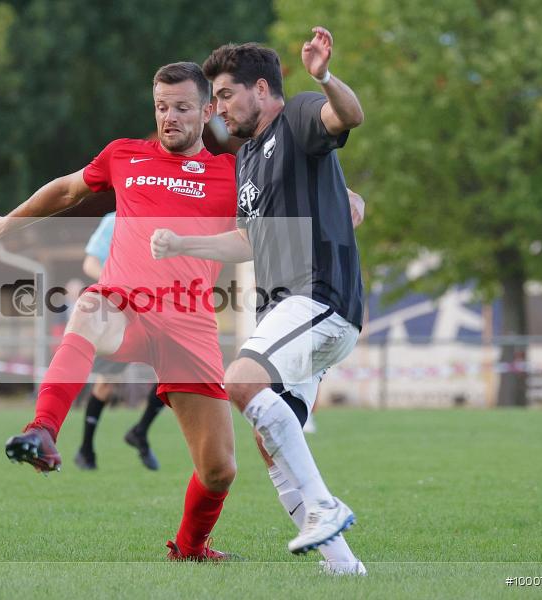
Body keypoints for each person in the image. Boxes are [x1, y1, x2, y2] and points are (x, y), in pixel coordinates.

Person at [0, 62, 239, 561]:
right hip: (125, 307)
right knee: (88, 308)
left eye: (181, 107)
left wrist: (341, 197)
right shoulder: (124, 154)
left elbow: (287, 193)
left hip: (189, 326)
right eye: (161, 107)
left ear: (208, 110)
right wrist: (8, 222)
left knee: (219, 470)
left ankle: (190, 548)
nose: (169, 117)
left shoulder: (231, 172)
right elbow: (66, 190)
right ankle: (42, 431)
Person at [151, 29, 367, 574]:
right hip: (286, 310)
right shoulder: (246, 158)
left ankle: (323, 506)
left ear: (261, 88)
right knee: (271, 441)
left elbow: (349, 117)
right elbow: (246, 240)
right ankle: (344, 568)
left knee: (240, 382)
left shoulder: (295, 117)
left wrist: (322, 77)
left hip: (318, 297)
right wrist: (183, 243)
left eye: (224, 94)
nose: (217, 107)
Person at [74, 211, 164, 472]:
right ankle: (86, 449)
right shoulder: (113, 221)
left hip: (155, 309)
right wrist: (121, 284)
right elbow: (90, 263)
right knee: (106, 384)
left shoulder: (165, 219)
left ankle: (141, 431)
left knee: (174, 375)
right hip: (119, 312)